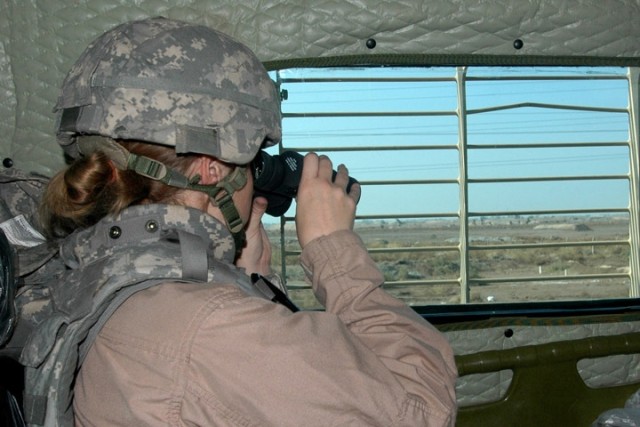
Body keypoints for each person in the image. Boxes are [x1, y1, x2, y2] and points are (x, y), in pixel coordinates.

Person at [38, 17, 457, 426]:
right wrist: (334, 248)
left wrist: (245, 278)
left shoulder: (100, 273)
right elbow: (423, 411)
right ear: (211, 170)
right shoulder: (210, 329)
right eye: (253, 159)